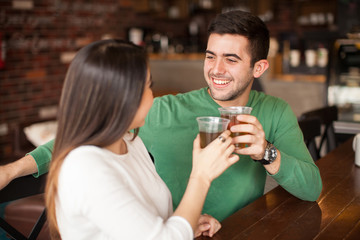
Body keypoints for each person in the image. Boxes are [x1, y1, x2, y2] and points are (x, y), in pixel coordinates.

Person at [0, 10, 322, 223]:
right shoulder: (164, 110)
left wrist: (267, 153)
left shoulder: (274, 111)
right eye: (210, 56)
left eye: (231, 59)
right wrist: (13, 169)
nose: (216, 70)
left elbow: (312, 189)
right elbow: (80, 136)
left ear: (259, 68)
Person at [43, 39, 240, 239]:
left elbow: (147, 225)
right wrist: (201, 176)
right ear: (121, 98)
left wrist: (186, 224)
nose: (152, 96)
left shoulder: (130, 142)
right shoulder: (85, 166)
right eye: (149, 86)